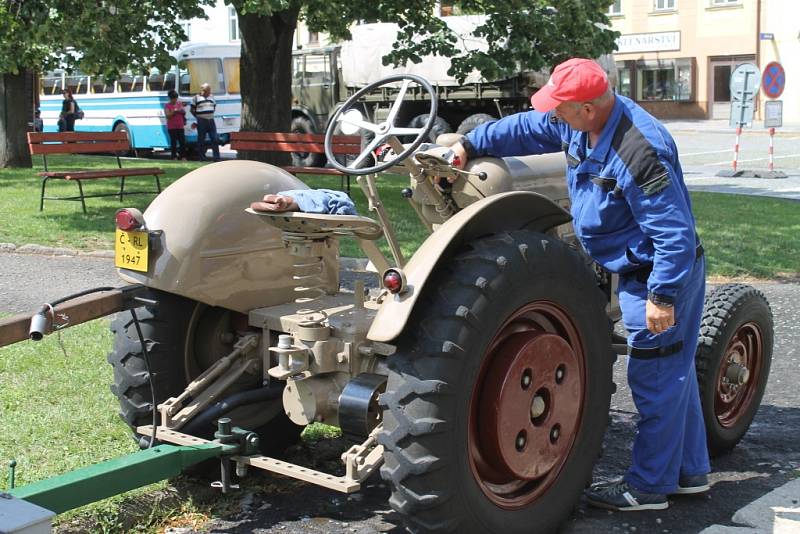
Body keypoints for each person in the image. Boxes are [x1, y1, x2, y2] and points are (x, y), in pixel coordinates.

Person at [450, 58, 710, 512]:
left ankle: (648, 487)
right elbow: (528, 127)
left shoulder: (639, 150)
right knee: (673, 375)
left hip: (657, 274)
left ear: (588, 108)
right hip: (634, 266)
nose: (554, 115)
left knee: (654, 377)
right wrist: (470, 143)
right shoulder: (578, 123)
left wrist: (662, 296)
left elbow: (674, 235)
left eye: (561, 108)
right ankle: (689, 474)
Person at [250, 190, 356, 215]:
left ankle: (281, 200)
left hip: (297, 195)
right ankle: (282, 201)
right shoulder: (345, 204)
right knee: (298, 202)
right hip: (303, 197)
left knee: (298, 199)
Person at [190, 82, 220, 161]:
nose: (210, 92)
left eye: (209, 90)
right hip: (201, 121)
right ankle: (202, 157)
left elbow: (214, 106)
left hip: (211, 120)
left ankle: (216, 158)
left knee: (215, 139)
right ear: (203, 90)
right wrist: (198, 118)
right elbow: (192, 110)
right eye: (208, 90)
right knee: (201, 139)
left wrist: (209, 114)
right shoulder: (196, 98)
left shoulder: (212, 97)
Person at [164, 90, 187, 159]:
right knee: (173, 142)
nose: (175, 100)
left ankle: (183, 156)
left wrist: (182, 110)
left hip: (180, 126)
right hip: (172, 127)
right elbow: (168, 115)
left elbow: (183, 112)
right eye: (173, 98)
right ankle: (173, 156)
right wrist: (175, 111)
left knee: (182, 142)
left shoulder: (179, 104)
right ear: (170, 98)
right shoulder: (167, 106)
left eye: (176, 98)